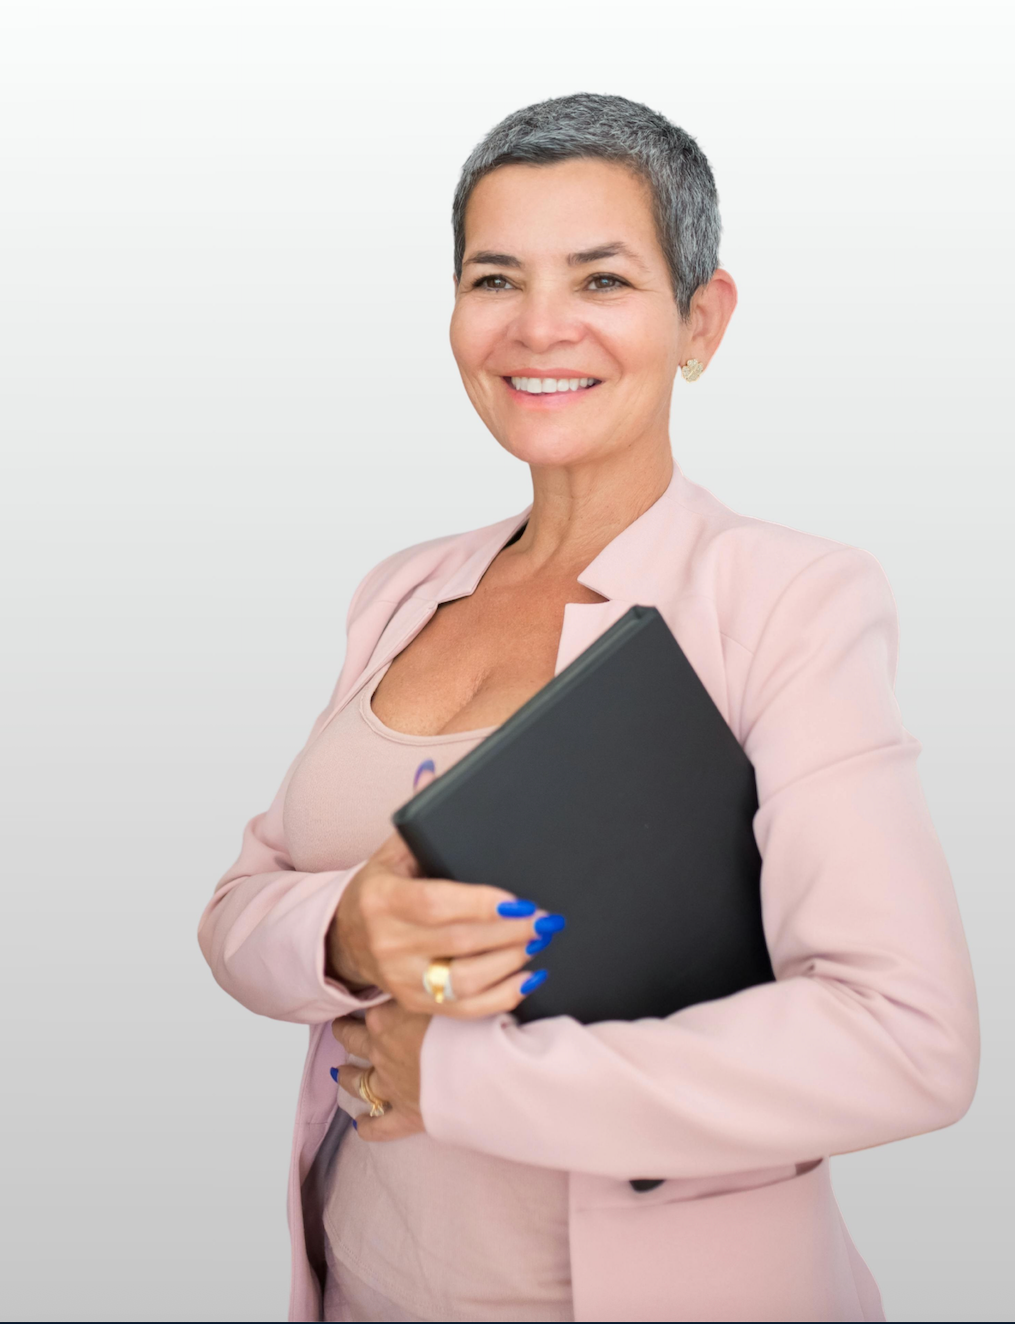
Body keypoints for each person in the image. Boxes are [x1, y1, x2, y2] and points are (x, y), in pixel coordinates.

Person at [197, 92, 979, 1323]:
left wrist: (456, 1074)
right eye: (494, 277)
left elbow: (905, 1040)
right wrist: (348, 934)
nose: (538, 327)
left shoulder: (783, 601)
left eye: (603, 280)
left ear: (699, 321)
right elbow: (239, 908)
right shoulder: (399, 590)